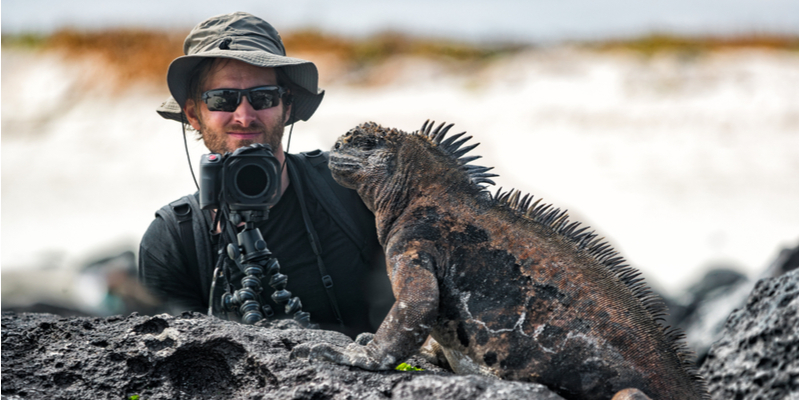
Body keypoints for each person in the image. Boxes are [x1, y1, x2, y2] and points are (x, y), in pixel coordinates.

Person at [138, 12, 393, 338]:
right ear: (193, 115)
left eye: (263, 97)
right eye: (222, 99)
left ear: (286, 107)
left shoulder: (353, 188)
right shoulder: (174, 240)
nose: (244, 117)